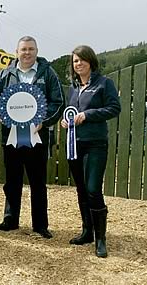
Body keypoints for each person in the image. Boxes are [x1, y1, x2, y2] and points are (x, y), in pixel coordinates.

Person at [0, 36, 65, 239]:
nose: (27, 53)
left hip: (38, 138)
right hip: (11, 137)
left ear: (37, 51)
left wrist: (44, 120)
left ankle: (40, 224)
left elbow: (58, 101)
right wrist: (0, 113)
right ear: (16, 52)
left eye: (31, 49)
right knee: (12, 181)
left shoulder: (48, 73)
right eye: (23, 49)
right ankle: (10, 220)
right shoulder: (6, 74)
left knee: (38, 182)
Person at [61, 45, 121, 257]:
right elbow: (71, 114)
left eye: (82, 60)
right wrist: (65, 122)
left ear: (91, 61)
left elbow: (114, 108)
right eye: (75, 61)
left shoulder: (105, 84)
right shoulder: (73, 88)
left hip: (95, 145)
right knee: (81, 189)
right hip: (75, 145)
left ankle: (100, 239)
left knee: (93, 189)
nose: (78, 64)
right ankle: (87, 231)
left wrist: (89, 114)